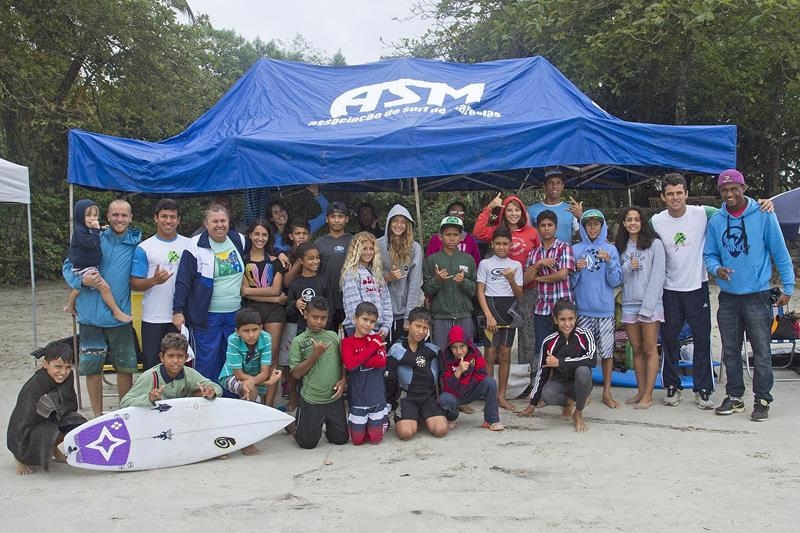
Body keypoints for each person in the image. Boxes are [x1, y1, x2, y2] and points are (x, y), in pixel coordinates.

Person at [704, 169, 794, 421]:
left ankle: (762, 399)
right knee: (730, 350)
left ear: (743, 188)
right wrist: (716, 268)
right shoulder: (716, 221)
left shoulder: (764, 215)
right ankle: (734, 397)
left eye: (734, 188)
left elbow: (780, 252)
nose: (729, 194)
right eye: (724, 190)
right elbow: (709, 254)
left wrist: (788, 287)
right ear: (720, 192)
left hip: (757, 294)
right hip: (729, 296)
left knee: (762, 351)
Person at [62, 199, 141, 417]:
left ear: (130, 218)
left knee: (126, 368)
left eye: (124, 215)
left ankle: (125, 413)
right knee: (92, 369)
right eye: (115, 215)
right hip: (90, 317)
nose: (120, 219)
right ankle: (98, 417)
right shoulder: (92, 236)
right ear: (108, 216)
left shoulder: (136, 244)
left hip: (120, 317)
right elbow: (69, 267)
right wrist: (81, 282)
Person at [173, 203, 247, 381]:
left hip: (234, 314)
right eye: (214, 221)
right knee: (206, 361)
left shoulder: (240, 240)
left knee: (232, 360)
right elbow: (183, 280)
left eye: (223, 220)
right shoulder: (195, 245)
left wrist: (279, 255)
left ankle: (230, 400)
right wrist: (177, 310)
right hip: (206, 316)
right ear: (206, 224)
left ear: (229, 222)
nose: (219, 225)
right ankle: (205, 399)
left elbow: (262, 250)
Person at [473, 193, 541, 366]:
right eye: (509, 210)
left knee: (527, 333)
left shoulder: (531, 232)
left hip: (527, 288)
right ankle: (495, 378)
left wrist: (534, 273)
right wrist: (490, 207)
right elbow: (478, 231)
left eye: (516, 210)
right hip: (501, 291)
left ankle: (529, 373)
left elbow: (538, 254)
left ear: (523, 212)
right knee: (498, 339)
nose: (513, 213)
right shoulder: (498, 232)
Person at [7, 342, 87, 475]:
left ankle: (54, 448)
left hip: (52, 416)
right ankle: (22, 457)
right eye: (58, 366)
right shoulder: (36, 385)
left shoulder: (68, 376)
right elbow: (22, 421)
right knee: (48, 430)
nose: (63, 372)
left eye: (68, 367)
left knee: (77, 423)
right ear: (45, 364)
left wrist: (52, 403)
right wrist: (19, 456)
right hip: (30, 425)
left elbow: (71, 403)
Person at [614, 206, 666, 409]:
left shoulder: (655, 245)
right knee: (635, 349)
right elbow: (618, 278)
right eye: (629, 220)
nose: (633, 223)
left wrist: (648, 306)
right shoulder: (621, 246)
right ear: (624, 223)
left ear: (642, 222)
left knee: (650, 348)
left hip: (650, 305)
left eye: (637, 219)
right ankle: (640, 391)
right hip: (628, 303)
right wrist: (628, 267)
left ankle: (649, 395)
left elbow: (658, 277)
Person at [518, 299, 596, 432]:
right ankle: (568, 403)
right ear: (555, 320)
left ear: (576, 318)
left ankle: (578, 413)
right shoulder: (549, 341)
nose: (567, 324)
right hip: (560, 382)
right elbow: (542, 373)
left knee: (583, 371)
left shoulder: (585, 335)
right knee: (547, 394)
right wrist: (532, 405)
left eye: (571, 319)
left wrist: (560, 362)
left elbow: (592, 360)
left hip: (581, 383)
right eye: (562, 319)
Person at [570, 209, 623, 408]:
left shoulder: (610, 250)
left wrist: (609, 263)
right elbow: (571, 283)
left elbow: (616, 281)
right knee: (585, 354)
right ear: (583, 228)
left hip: (605, 311)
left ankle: (607, 393)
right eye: (588, 224)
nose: (592, 228)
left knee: (607, 353)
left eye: (596, 224)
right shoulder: (575, 249)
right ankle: (587, 390)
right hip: (583, 311)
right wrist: (576, 269)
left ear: (602, 227)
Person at [131, 198, 190, 370]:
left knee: (181, 365)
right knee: (153, 365)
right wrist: (153, 281)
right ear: (156, 218)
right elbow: (134, 283)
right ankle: (154, 397)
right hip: (153, 317)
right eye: (164, 216)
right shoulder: (144, 248)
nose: (168, 221)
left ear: (178, 220)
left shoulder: (189, 244)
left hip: (181, 317)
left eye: (173, 217)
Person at [218, 308, 282, 453]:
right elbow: (239, 374)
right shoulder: (233, 340)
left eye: (255, 329)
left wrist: (257, 380)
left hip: (256, 377)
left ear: (261, 328)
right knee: (250, 391)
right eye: (246, 331)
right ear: (237, 331)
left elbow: (265, 371)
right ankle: (245, 441)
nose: (251, 335)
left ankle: (289, 426)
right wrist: (264, 382)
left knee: (257, 399)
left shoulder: (266, 338)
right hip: (230, 377)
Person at [289, 296, 349, 449]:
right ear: (305, 315)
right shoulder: (298, 341)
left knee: (340, 439)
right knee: (307, 444)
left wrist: (343, 380)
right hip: (311, 399)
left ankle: (326, 425)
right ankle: (292, 426)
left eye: (323, 318)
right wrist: (314, 355)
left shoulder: (334, 337)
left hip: (333, 398)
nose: (319, 322)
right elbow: (295, 374)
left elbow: (343, 361)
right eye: (315, 317)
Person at [476, 227, 523, 411]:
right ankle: (490, 396)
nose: (502, 247)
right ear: (492, 244)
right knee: (489, 355)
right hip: (490, 311)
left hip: (508, 313)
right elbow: (480, 291)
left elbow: (519, 294)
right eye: (498, 244)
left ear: (510, 245)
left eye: (505, 244)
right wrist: (488, 315)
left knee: (505, 354)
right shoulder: (485, 264)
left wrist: (511, 279)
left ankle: (501, 396)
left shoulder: (516, 265)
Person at [240, 218, 287, 405]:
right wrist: (275, 298)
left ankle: (269, 404)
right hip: (251, 312)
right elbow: (243, 291)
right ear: (250, 235)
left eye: (264, 234)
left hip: (274, 313)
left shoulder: (276, 261)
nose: (260, 238)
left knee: (272, 356)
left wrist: (254, 292)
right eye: (257, 234)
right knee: (253, 355)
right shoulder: (243, 260)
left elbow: (274, 289)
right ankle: (253, 400)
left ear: (270, 237)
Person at [523, 210, 576, 373]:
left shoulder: (564, 248)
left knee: (566, 347)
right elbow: (525, 280)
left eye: (550, 225)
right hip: (542, 309)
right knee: (543, 349)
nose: (546, 228)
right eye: (543, 225)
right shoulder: (534, 254)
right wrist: (539, 265)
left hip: (563, 308)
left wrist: (537, 278)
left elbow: (562, 275)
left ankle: (568, 390)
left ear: (556, 227)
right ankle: (542, 389)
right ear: (538, 228)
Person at [64, 199, 132, 323]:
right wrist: (97, 230)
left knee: (79, 288)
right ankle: (116, 311)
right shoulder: (81, 233)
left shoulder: (134, 243)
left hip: (86, 266)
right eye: (88, 215)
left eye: (95, 215)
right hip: (84, 267)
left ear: (130, 217)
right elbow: (90, 243)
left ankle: (70, 305)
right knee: (104, 287)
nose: (93, 218)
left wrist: (99, 228)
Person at [387, 306, 448, 440]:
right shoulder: (396, 350)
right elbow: (389, 380)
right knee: (406, 433)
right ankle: (413, 418)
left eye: (425, 328)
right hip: (406, 396)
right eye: (418, 326)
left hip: (428, 396)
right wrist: (387, 404)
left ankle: (421, 416)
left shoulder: (434, 350)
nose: (421, 331)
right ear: (409, 325)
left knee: (441, 430)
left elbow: (444, 378)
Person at [285, 242, 330, 411]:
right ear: (301, 261)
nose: (315, 261)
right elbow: (288, 311)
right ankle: (295, 397)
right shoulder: (295, 284)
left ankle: (319, 397)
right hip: (302, 330)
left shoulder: (323, 281)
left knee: (321, 364)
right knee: (299, 365)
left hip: (322, 331)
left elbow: (329, 306)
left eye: (318, 258)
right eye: (311, 258)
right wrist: (295, 304)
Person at [120, 332, 221, 407]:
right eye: (171, 356)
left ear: (186, 357)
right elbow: (125, 403)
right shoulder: (150, 376)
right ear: (161, 357)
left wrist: (210, 392)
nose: (175, 361)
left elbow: (217, 388)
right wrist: (149, 398)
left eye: (180, 356)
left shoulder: (189, 373)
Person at [422, 216, 477, 349]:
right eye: (447, 234)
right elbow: (426, 290)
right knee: (441, 353)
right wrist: (437, 280)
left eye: (455, 234)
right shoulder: (432, 260)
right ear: (440, 237)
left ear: (461, 237)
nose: (451, 238)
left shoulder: (468, 259)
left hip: (464, 315)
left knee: (466, 353)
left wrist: (463, 282)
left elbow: (474, 291)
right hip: (440, 316)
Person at [341, 302, 390, 445]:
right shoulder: (347, 342)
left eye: (372, 321)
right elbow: (350, 365)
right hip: (358, 400)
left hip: (377, 399)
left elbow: (381, 362)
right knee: (357, 440)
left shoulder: (378, 339)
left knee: (375, 439)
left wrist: (358, 358)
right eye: (365, 319)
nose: (368, 324)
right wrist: (373, 347)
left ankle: (384, 414)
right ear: (355, 319)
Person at [439, 324, 504, 431]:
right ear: (449, 347)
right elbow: (447, 387)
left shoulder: (474, 353)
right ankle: (452, 418)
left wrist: (467, 379)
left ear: (467, 345)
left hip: (471, 390)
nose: (459, 351)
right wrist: (458, 372)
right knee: (445, 399)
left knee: (490, 382)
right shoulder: (445, 358)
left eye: (462, 346)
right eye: (454, 347)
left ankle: (491, 419)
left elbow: (482, 373)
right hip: (454, 394)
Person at [377, 204, 423, 344]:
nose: (399, 225)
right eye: (395, 220)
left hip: (403, 313)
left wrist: (409, 316)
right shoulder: (377, 245)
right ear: (389, 222)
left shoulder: (415, 248)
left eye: (403, 222)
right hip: (380, 313)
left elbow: (415, 284)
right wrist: (388, 277)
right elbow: (370, 278)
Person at [341, 231, 393, 338]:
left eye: (371, 249)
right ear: (356, 251)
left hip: (378, 329)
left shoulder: (377, 273)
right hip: (357, 329)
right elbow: (352, 306)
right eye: (364, 249)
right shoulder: (352, 273)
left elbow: (386, 301)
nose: (368, 252)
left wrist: (386, 327)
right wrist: (367, 330)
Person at [315, 200, 353, 332]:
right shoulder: (319, 242)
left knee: (351, 337)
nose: (336, 220)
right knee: (327, 336)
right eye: (333, 216)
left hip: (349, 297)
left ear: (346, 219)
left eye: (340, 217)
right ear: (327, 219)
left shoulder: (354, 241)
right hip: (326, 297)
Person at [527, 167, 583, 244]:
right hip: (540, 255)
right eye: (551, 183)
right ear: (544, 187)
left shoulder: (572, 209)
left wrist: (581, 217)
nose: (555, 186)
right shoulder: (531, 210)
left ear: (563, 186)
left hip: (566, 254)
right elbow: (527, 236)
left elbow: (582, 237)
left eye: (558, 183)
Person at [268, 185, 329, 252]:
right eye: (275, 212)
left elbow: (328, 213)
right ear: (271, 218)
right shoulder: (270, 237)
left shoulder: (302, 227)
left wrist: (317, 194)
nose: (280, 214)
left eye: (282, 210)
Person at [426, 200, 482, 267]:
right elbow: (429, 263)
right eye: (454, 212)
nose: (457, 215)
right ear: (447, 214)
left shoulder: (470, 240)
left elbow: (476, 262)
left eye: (461, 213)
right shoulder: (435, 239)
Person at [282, 218, 313, 288]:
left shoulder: (315, 254)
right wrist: (300, 259)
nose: (301, 237)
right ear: (291, 236)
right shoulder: (285, 256)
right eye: (297, 233)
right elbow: (286, 283)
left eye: (305, 233)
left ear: (309, 236)